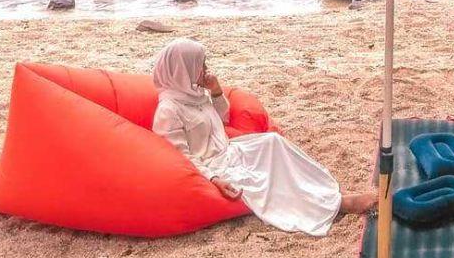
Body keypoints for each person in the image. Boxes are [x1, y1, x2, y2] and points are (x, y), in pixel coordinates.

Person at [151, 37, 375, 235]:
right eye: (201, 65)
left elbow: (222, 120)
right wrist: (213, 178)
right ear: (183, 69)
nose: (206, 69)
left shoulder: (194, 93)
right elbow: (179, 157)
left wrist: (216, 91)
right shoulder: (169, 110)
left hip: (229, 150)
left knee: (273, 142)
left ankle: (326, 193)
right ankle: (340, 204)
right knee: (263, 178)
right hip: (212, 166)